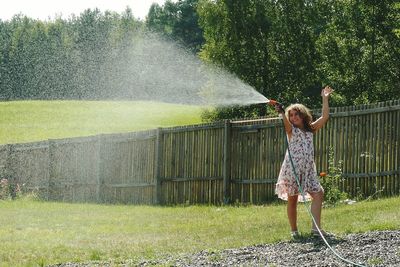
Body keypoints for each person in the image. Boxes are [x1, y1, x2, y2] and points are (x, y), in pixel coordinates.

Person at [274, 86, 334, 239]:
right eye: (291, 115)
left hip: (308, 170)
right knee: (292, 199)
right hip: (292, 170)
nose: (293, 117)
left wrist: (325, 98)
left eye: (296, 114)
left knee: (319, 194)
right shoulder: (291, 131)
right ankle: (294, 232)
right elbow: (286, 124)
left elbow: (325, 116)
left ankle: (316, 230)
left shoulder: (311, 129)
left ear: (303, 115)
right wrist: (282, 112)